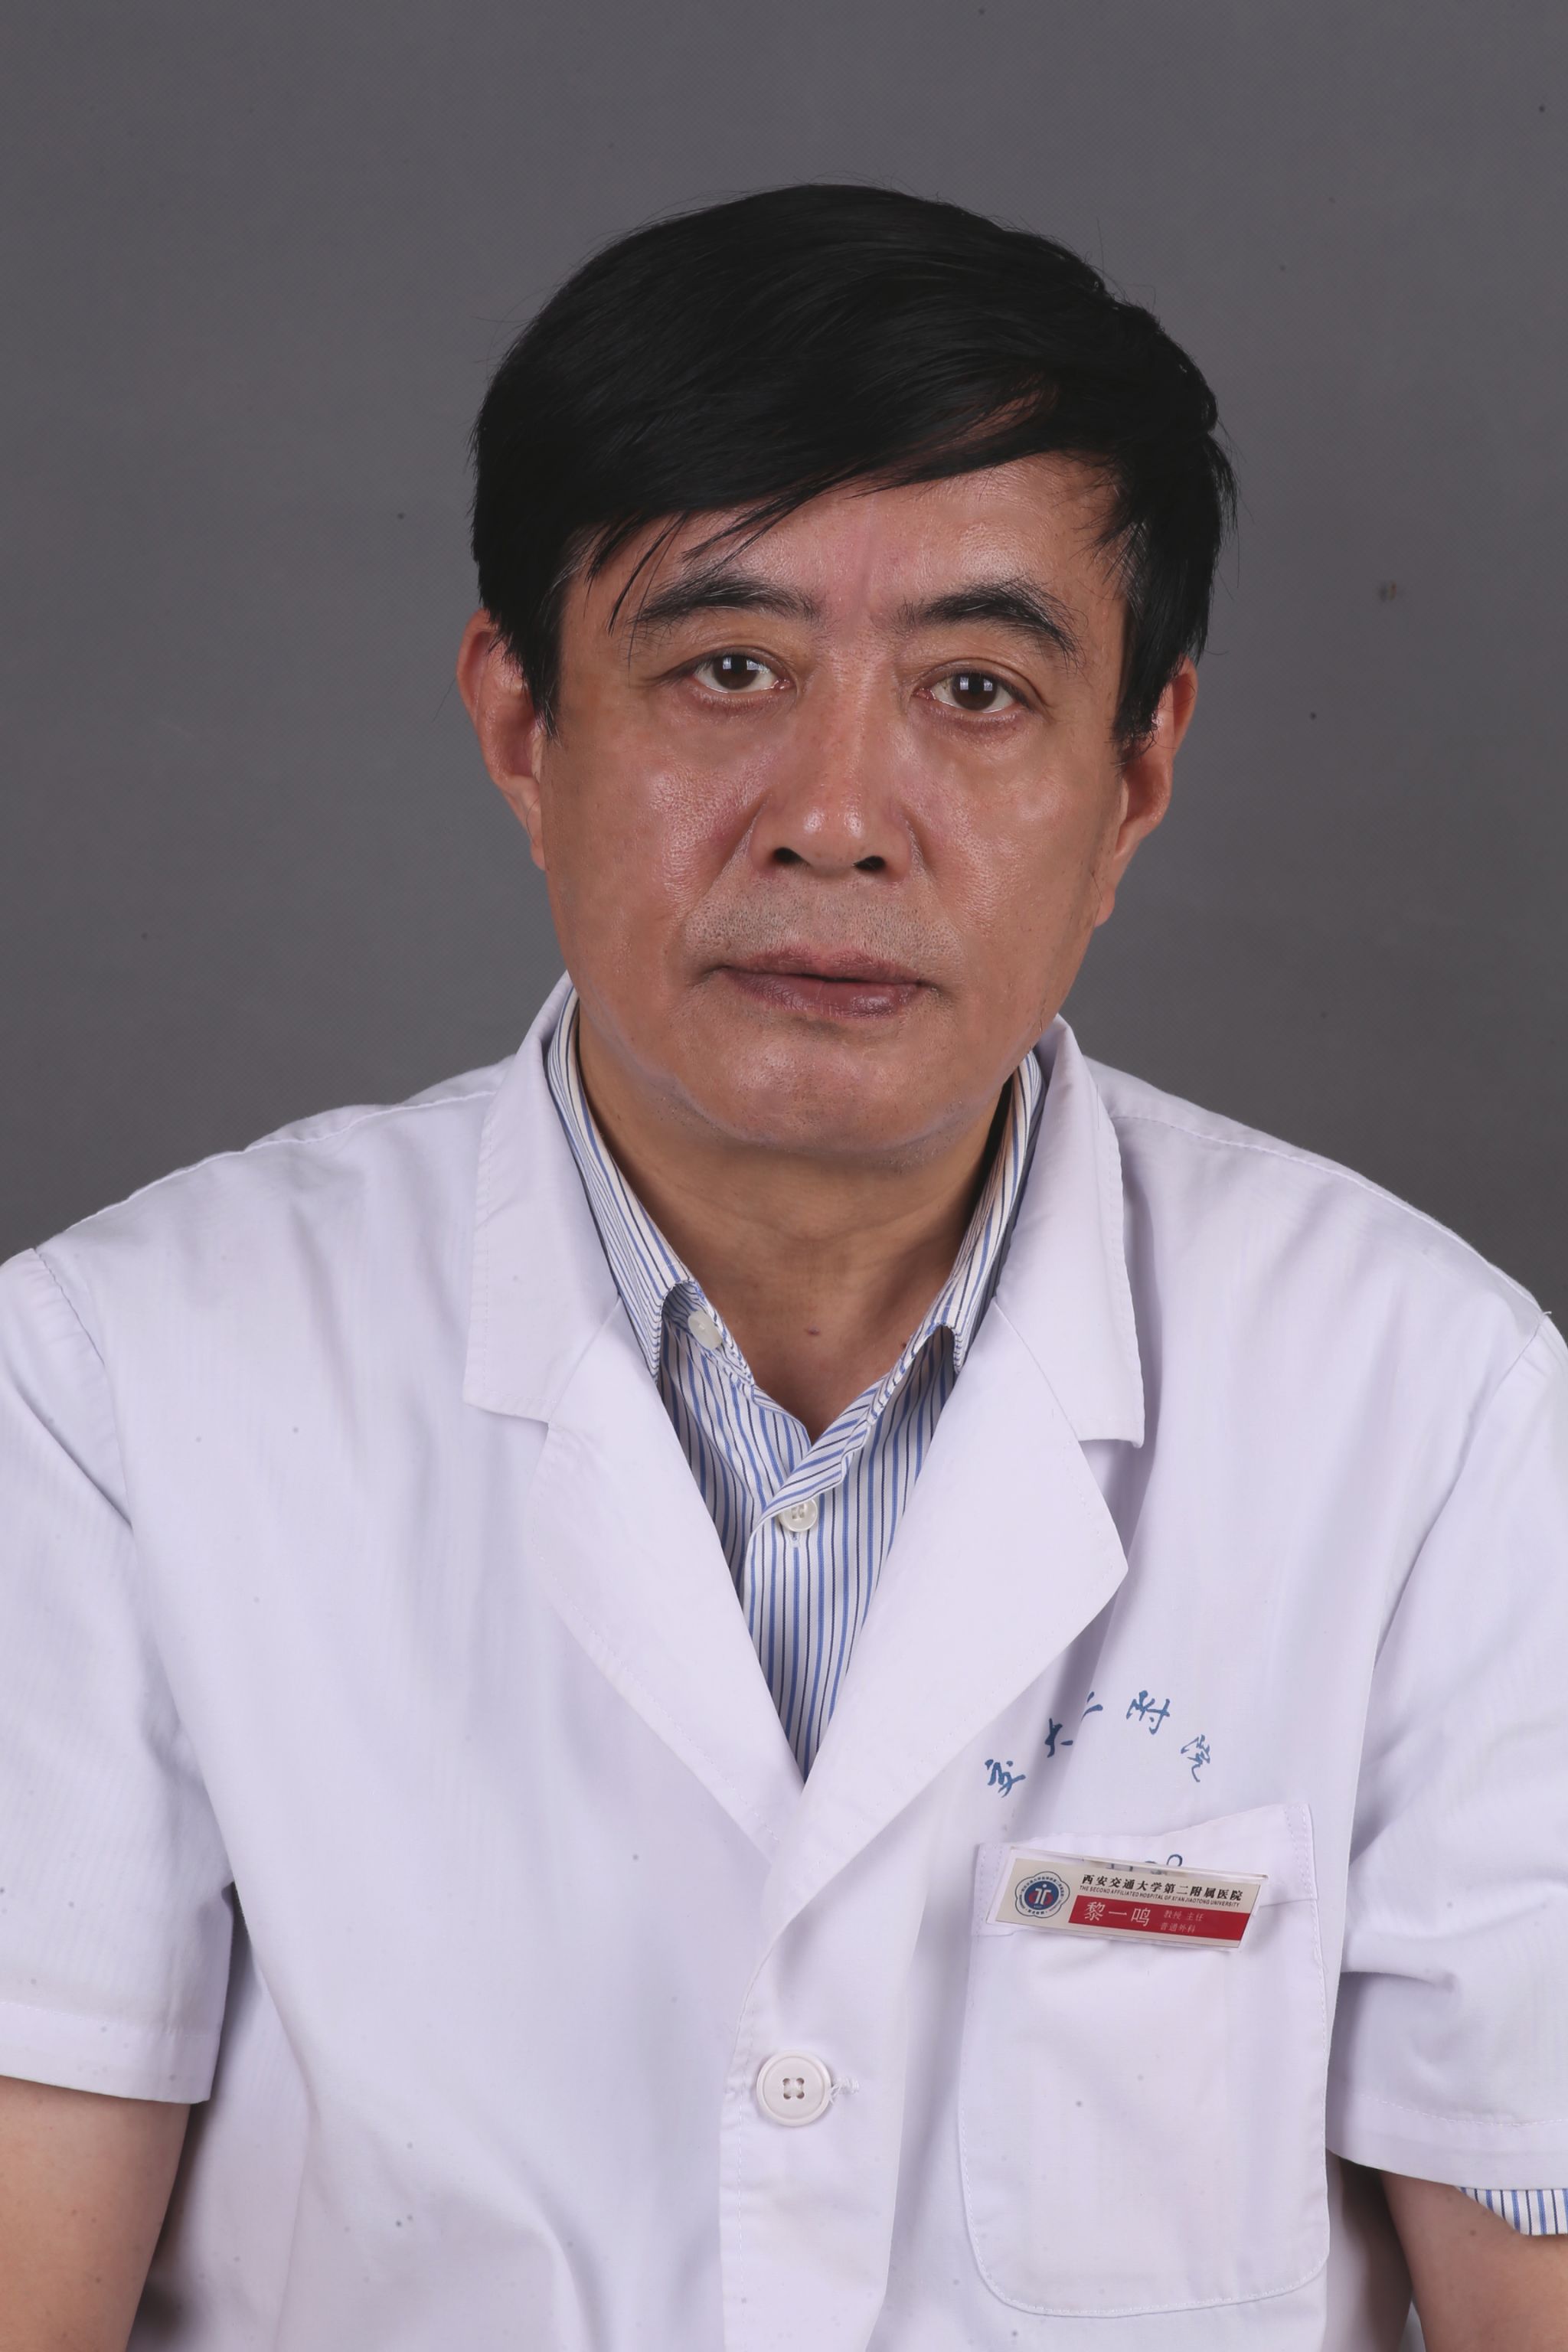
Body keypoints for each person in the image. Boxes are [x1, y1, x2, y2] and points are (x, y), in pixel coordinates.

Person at [1, 185, 1564, 2352]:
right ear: (523, 723)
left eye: (978, 691)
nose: (838, 814)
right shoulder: (114, 1390)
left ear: (1137, 777)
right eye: (727, 670)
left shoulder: (1435, 1407)